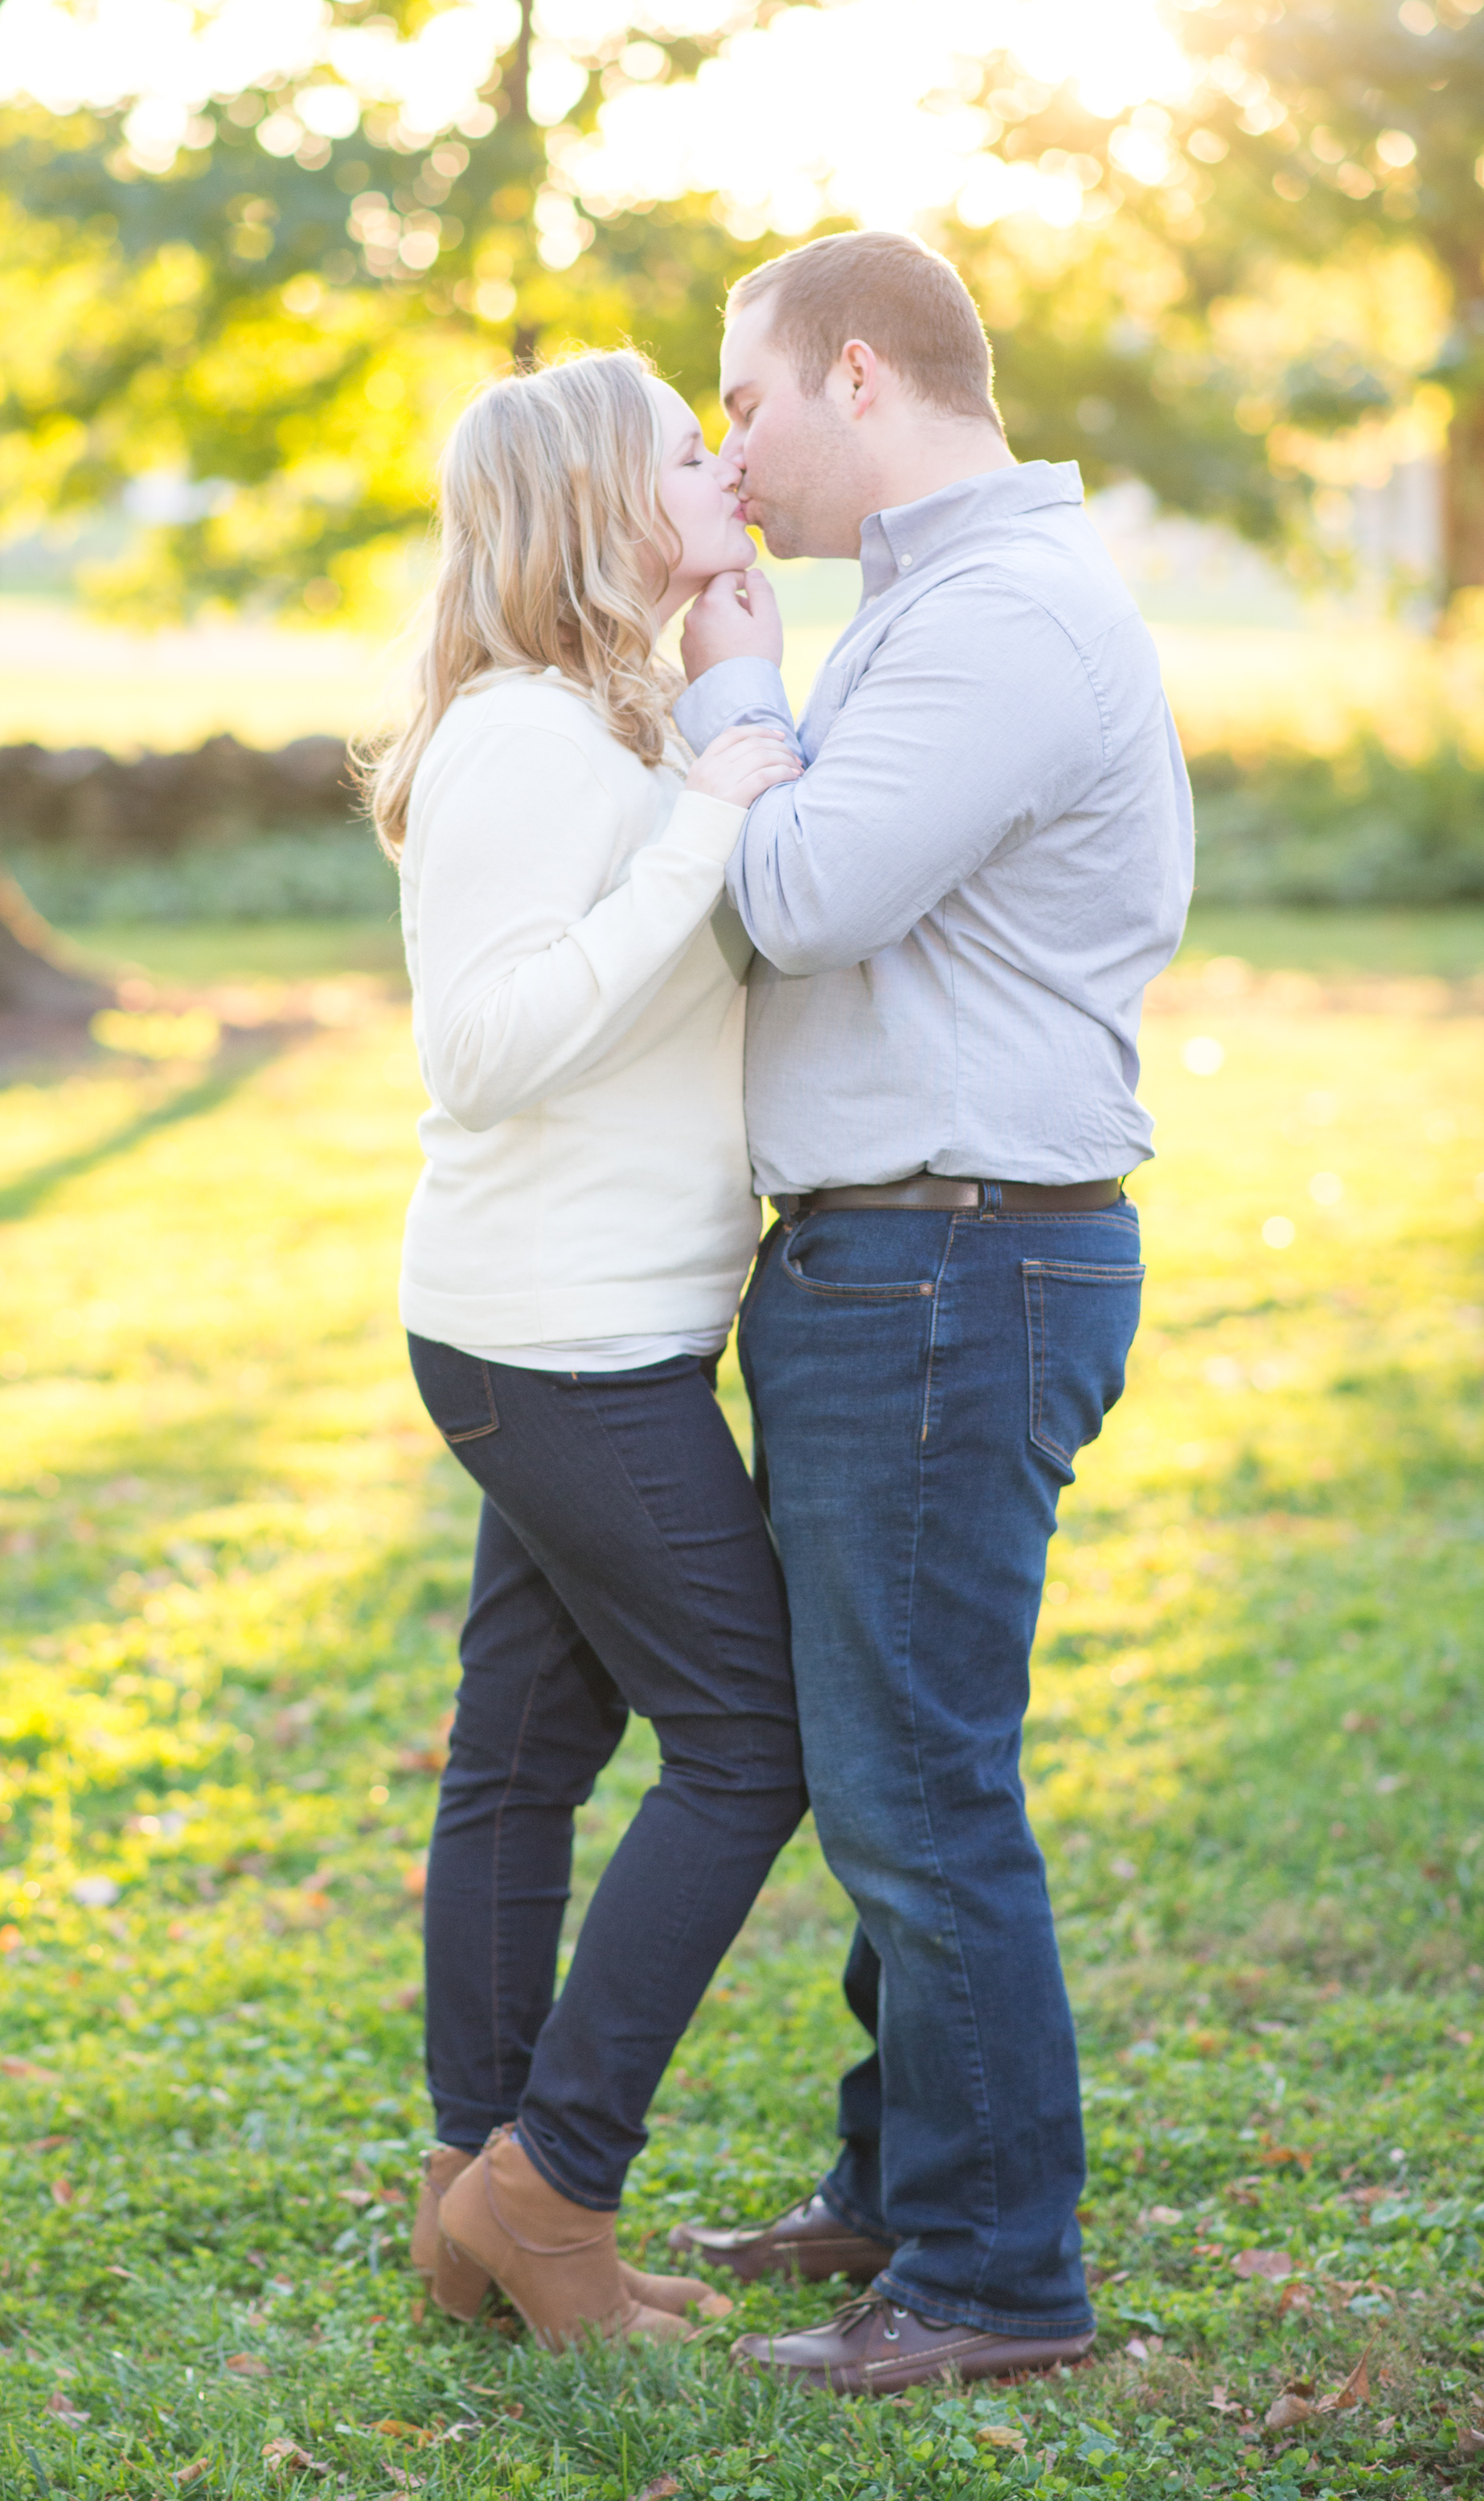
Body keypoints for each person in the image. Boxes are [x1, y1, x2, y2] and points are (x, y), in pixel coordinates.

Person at [664, 231, 1194, 2395]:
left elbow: (791, 895)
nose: (728, 442)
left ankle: (995, 2283)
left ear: (859, 375)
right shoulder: (935, 611)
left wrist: (727, 671)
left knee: (916, 1784)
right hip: (910, 1252)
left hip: (959, 1256)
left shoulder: (1001, 626)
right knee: (897, 1763)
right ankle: (904, 2188)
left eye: (748, 399)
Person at [368, 346, 809, 2351]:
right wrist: (708, 817)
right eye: (682, 449)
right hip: (561, 1342)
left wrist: (729, 705)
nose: (721, 461)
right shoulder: (531, 738)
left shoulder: (587, 720)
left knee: (529, 1754)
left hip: (565, 1321)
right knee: (749, 1737)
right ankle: (551, 2187)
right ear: (593, 503)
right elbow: (485, 1041)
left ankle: (480, 2188)